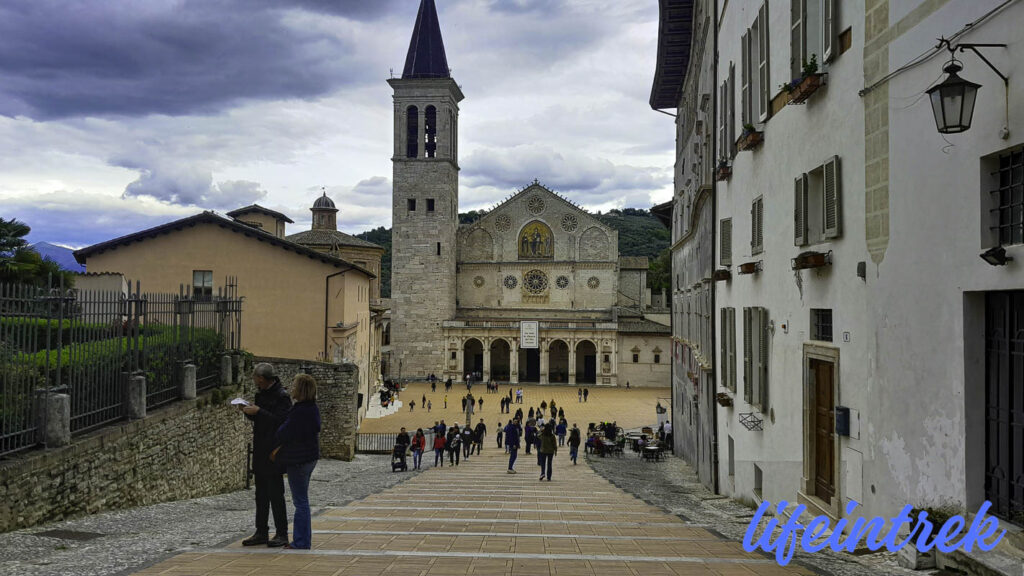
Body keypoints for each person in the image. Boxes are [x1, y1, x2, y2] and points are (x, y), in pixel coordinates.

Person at [239, 363, 292, 548]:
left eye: (255, 378)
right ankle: (261, 531)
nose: (254, 381)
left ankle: (282, 533)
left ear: (261, 378)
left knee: (276, 494)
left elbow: (282, 422)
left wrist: (259, 411)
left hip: (273, 452)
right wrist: (249, 412)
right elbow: (262, 420)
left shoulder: (282, 397)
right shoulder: (261, 394)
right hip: (261, 449)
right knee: (260, 494)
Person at [273, 373, 320, 550]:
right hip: (310, 458)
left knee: (300, 502)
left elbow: (283, 433)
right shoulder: (312, 408)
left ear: (300, 390)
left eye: (294, 386)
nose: (291, 388)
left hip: (298, 459)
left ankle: (301, 541)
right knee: (303, 501)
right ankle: (303, 540)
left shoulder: (299, 411)